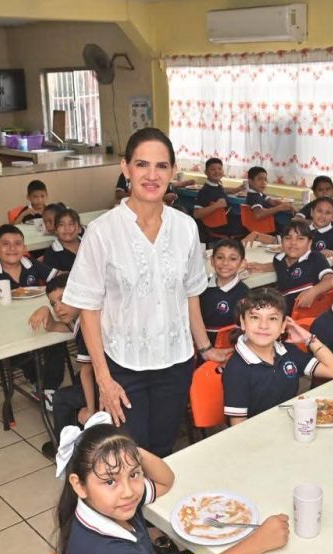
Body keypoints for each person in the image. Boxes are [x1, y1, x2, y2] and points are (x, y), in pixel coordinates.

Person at [62, 128, 230, 457]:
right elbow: (89, 308)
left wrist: (205, 347)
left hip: (176, 362)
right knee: (131, 453)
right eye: (142, 164)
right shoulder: (102, 231)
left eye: (161, 166)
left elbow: (191, 295)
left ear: (172, 171)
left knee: (164, 448)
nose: (152, 175)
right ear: (126, 168)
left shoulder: (185, 227)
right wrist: (103, 379)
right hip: (123, 367)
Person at [55, 413, 289, 554]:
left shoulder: (107, 504)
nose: (128, 491)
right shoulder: (105, 553)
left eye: (134, 474)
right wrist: (260, 541)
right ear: (79, 485)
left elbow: (165, 481)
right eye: (109, 481)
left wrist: (128, 453)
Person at [222, 288, 333, 424]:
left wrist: (308, 338)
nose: (263, 325)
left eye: (272, 318)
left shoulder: (287, 351)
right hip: (260, 431)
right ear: (243, 323)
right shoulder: (236, 369)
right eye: (255, 317)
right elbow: (238, 424)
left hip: (291, 423)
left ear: (283, 325)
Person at [0, 224, 65, 399]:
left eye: (17, 244)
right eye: (6, 244)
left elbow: (57, 277)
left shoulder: (30, 263)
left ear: (24, 248)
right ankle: (37, 380)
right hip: (6, 327)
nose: (12, 248)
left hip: (36, 318)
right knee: (17, 349)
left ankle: (49, 388)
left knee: (57, 338)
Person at [28, 274, 97, 458]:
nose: (58, 308)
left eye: (63, 299)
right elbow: (54, 327)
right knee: (76, 382)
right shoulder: (80, 316)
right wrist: (45, 310)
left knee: (61, 398)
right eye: (53, 304)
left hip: (109, 382)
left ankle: (62, 445)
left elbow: (86, 372)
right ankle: (80, 437)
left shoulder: (86, 326)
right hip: (108, 376)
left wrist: (91, 410)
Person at [246, 221, 333, 315]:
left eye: (300, 239)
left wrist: (313, 292)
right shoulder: (279, 258)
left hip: (304, 314)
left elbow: (330, 280)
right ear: (282, 242)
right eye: (288, 238)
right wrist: (262, 266)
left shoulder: (315, 258)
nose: (293, 243)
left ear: (309, 243)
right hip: (282, 309)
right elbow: (278, 266)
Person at [200, 239, 249, 347]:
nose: (225, 263)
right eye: (220, 257)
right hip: (201, 347)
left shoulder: (245, 294)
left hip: (231, 349)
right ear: (212, 261)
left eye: (233, 259)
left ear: (242, 263)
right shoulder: (200, 288)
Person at [192, 157, 243, 241]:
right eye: (213, 169)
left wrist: (237, 189)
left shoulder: (217, 185)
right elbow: (196, 214)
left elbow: (223, 190)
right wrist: (216, 205)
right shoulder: (204, 191)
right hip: (219, 227)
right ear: (206, 172)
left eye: (219, 169)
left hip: (226, 221)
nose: (217, 171)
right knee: (248, 224)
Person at [43, 207, 84, 272]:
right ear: (56, 230)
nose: (66, 228)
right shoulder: (51, 255)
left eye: (71, 224)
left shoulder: (89, 244)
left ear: (79, 229)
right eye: (61, 225)